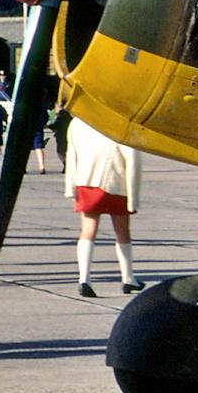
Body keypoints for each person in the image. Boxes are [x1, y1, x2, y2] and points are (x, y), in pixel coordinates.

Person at [65, 116, 143, 297]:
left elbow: (71, 155)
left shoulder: (78, 121)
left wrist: (71, 186)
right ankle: (128, 278)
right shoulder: (122, 121)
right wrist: (133, 197)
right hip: (116, 182)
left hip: (85, 181)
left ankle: (84, 279)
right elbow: (133, 160)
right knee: (122, 231)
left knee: (87, 231)